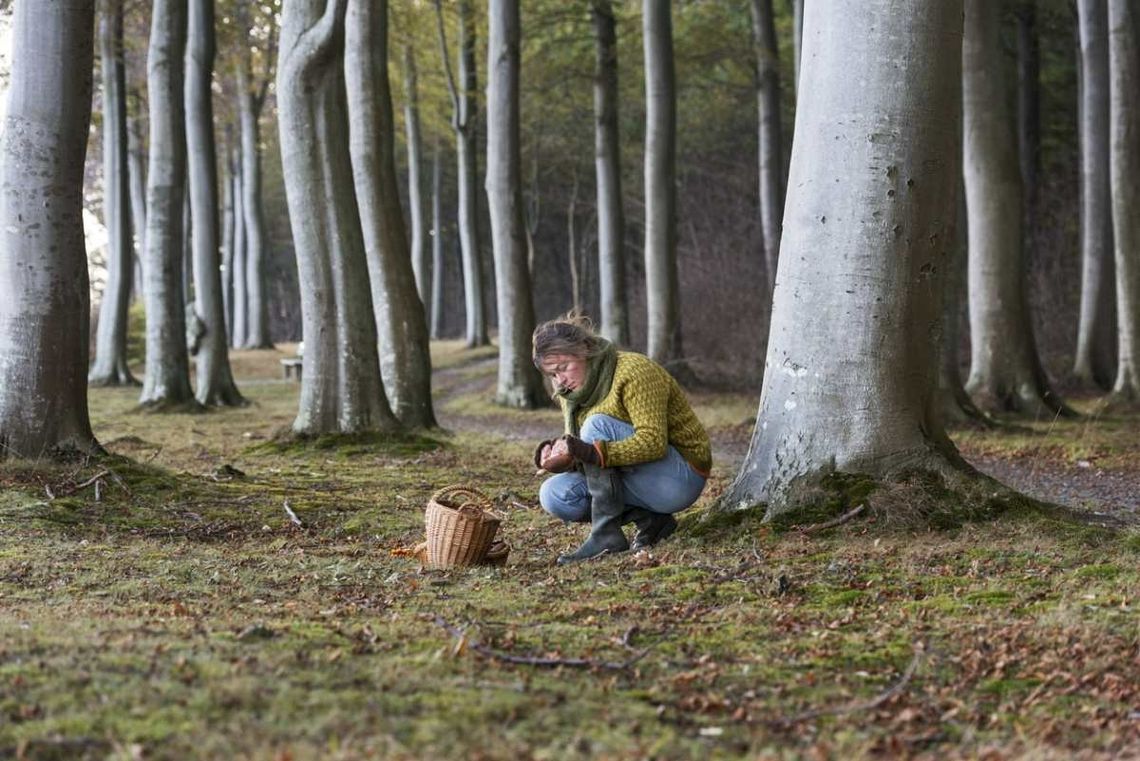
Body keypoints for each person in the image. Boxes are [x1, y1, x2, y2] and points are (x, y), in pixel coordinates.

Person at [531, 313, 711, 564]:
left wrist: (589, 450)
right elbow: (593, 459)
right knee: (554, 494)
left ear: (584, 349)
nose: (560, 381)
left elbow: (652, 442)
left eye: (563, 368)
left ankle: (606, 536)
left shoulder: (633, 371)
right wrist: (565, 457)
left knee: (597, 424)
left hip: (680, 476)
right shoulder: (570, 394)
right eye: (552, 375)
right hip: (636, 479)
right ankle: (652, 521)